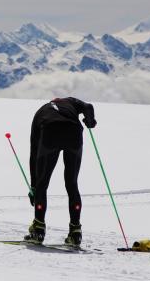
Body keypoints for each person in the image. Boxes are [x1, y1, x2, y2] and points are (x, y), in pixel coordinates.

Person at [24, 97, 96, 245]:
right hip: (74, 132)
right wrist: (90, 121)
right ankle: (75, 233)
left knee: (42, 184)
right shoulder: (72, 102)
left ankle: (38, 230)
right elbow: (88, 107)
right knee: (72, 184)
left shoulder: (40, 112)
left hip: (50, 132)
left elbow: (34, 154)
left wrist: (34, 186)